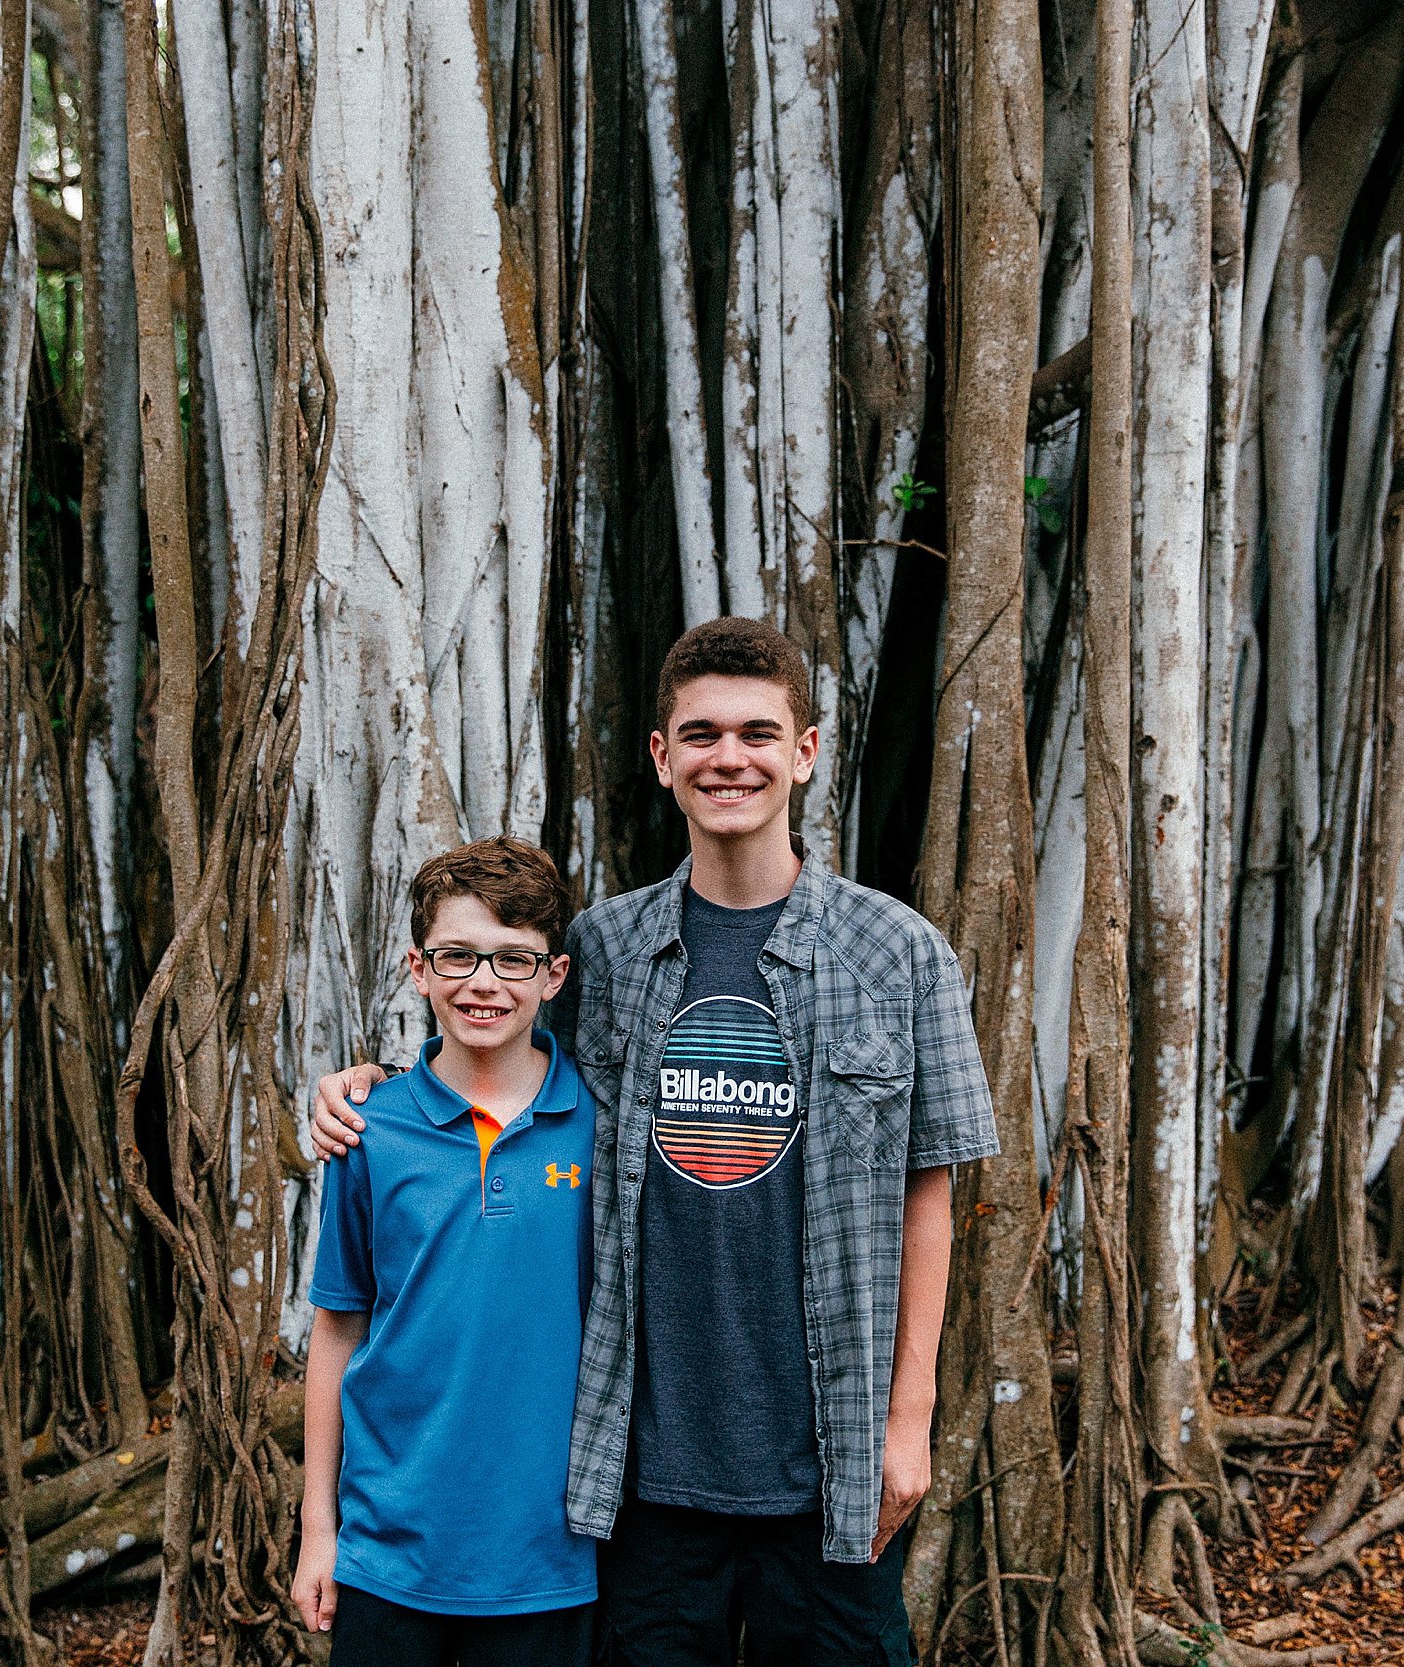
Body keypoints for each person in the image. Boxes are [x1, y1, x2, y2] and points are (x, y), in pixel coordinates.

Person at [310, 618, 999, 1666]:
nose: (732, 757)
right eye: (704, 732)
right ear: (662, 756)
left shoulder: (898, 951)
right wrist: (365, 1084)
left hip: (830, 1456)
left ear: (805, 752)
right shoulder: (608, 948)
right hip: (640, 1472)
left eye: (759, 732)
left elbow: (929, 1192)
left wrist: (910, 1419)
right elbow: (488, 1050)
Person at [292, 837, 598, 1667]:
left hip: (551, 1557)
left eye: (512, 959)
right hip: (390, 1553)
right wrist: (320, 1532)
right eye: (457, 955)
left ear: (554, 975)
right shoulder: (368, 1127)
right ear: (418, 968)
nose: (483, 982)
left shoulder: (600, 1126)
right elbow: (337, 1331)